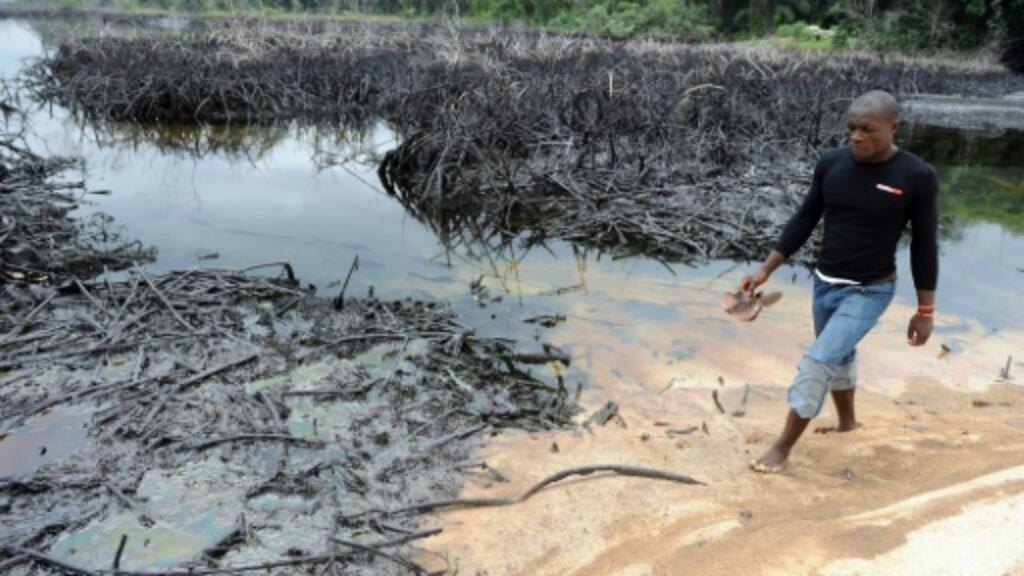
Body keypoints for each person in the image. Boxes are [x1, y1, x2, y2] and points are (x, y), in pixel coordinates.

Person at [743, 90, 939, 473]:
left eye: (868, 129)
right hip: (824, 283)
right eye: (851, 128)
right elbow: (804, 218)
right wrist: (767, 268)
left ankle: (782, 447)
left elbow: (924, 245)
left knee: (818, 361)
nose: (857, 136)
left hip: (870, 289)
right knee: (840, 355)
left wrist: (925, 310)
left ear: (893, 127)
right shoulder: (832, 163)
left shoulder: (916, 176)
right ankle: (848, 423)